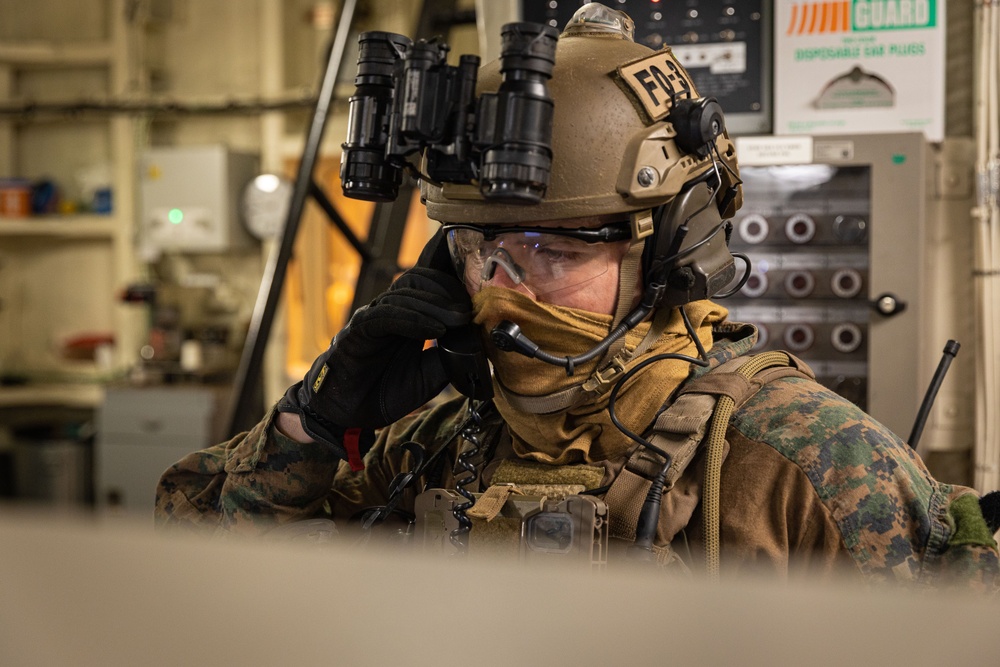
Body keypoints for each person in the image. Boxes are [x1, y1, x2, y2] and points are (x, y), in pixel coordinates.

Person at [155, 3, 999, 589]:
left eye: (548, 250)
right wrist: (314, 417)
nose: (500, 290)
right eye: (476, 251)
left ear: (672, 250)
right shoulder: (436, 440)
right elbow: (179, 571)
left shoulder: (809, 463)